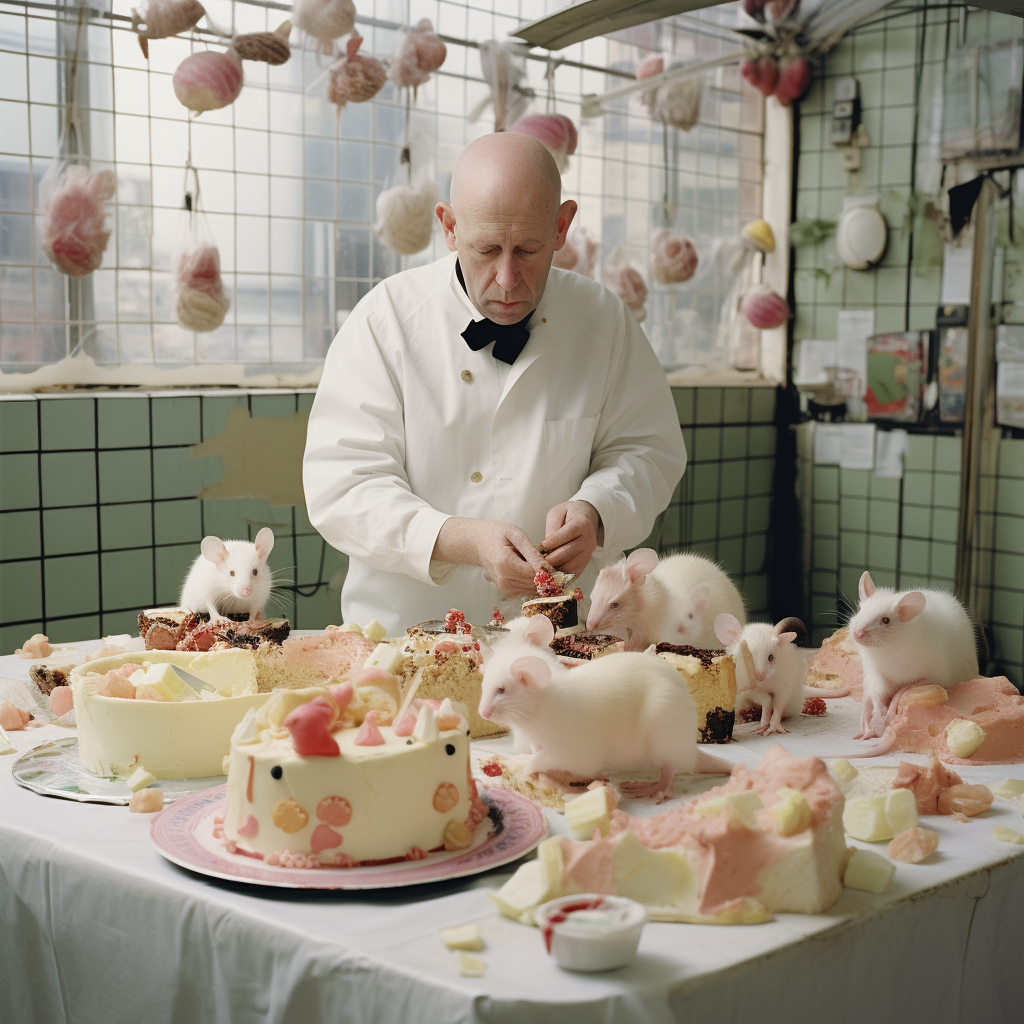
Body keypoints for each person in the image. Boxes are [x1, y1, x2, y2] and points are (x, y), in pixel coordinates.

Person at [303, 132, 687, 633]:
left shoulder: (605, 322)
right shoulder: (385, 321)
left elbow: (648, 451)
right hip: (403, 637)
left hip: (569, 640)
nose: (507, 278)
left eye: (527, 249)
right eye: (487, 248)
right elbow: (344, 485)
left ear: (562, 226)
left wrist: (597, 510)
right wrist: (460, 539)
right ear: (449, 227)